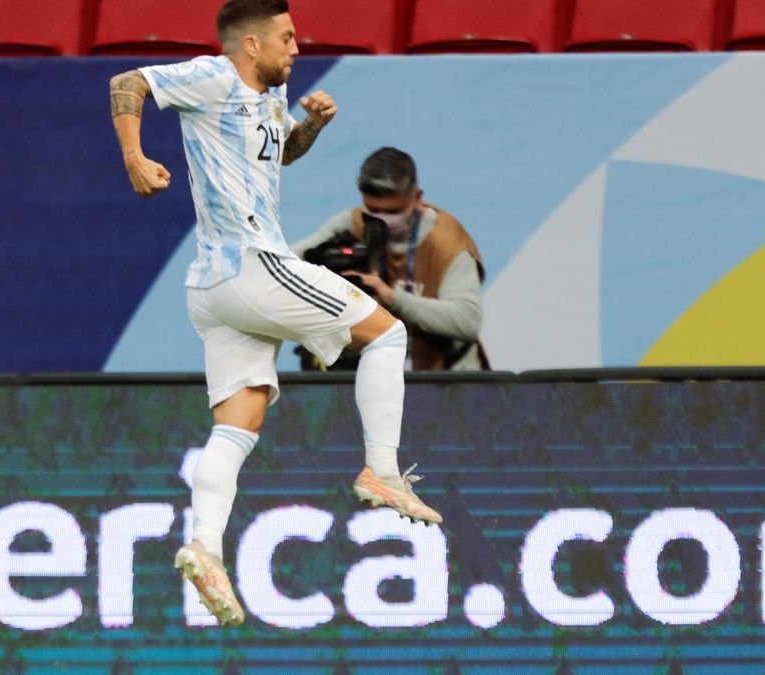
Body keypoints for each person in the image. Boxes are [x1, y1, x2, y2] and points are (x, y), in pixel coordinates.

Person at [107, 0, 441, 627]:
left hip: (214, 291)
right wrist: (133, 155)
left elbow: (278, 154)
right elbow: (128, 84)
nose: (297, 47)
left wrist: (309, 127)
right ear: (251, 44)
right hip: (251, 263)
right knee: (387, 333)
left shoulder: (264, 100)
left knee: (240, 422)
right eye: (287, 37)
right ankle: (384, 471)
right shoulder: (213, 74)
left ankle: (203, 544)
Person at [292, 147, 488, 370]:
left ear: (417, 197)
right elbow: (288, 260)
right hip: (375, 368)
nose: (382, 220)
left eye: (393, 212)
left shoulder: (448, 243)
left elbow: (468, 321)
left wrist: (393, 299)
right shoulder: (354, 222)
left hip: (448, 380)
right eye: (373, 210)